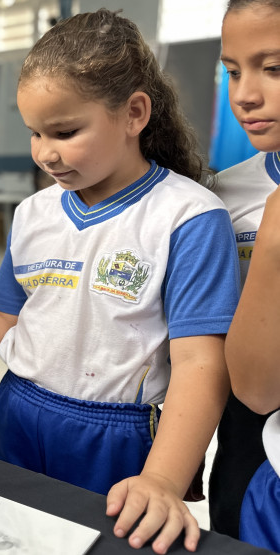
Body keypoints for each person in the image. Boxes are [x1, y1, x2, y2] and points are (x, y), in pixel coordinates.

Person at [0, 10, 239, 554]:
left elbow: (200, 364)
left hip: (113, 434)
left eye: (65, 132)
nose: (45, 153)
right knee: (19, 539)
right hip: (19, 411)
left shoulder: (187, 217)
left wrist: (163, 479)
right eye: (34, 132)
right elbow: (3, 319)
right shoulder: (33, 214)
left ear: (134, 113)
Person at [211, 1, 280, 549]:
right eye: (233, 71)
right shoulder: (224, 195)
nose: (245, 95)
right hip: (252, 440)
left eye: (273, 68)